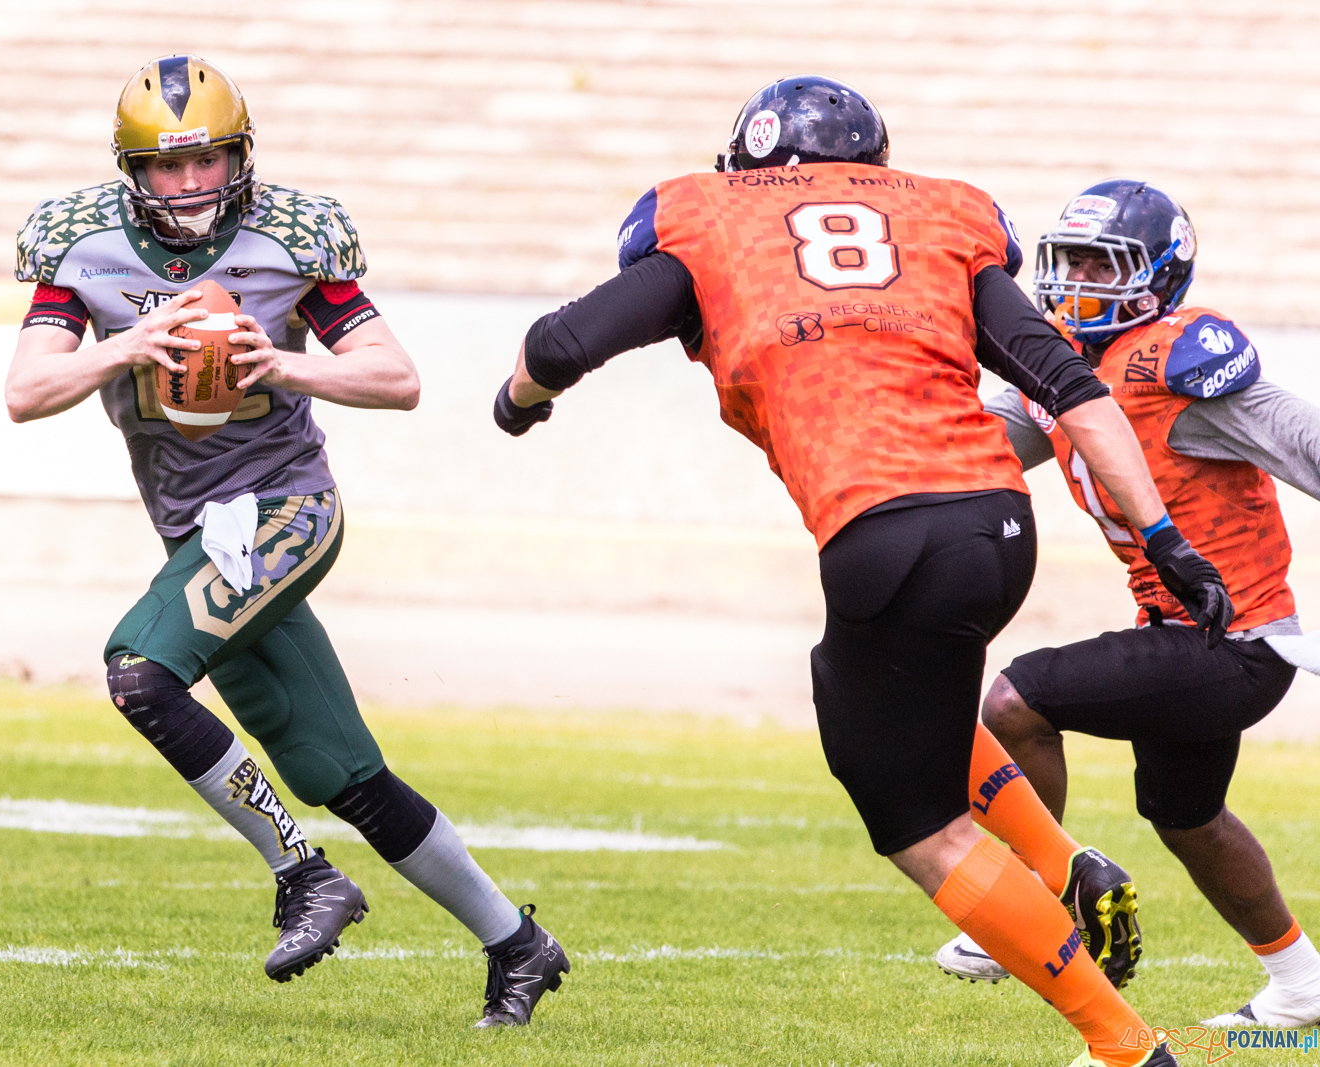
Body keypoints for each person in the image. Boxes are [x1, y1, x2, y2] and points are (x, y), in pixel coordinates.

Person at [490, 75, 1234, 1067]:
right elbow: (1076, 393)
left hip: (887, 538)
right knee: (887, 695)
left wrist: (517, 399)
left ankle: (1123, 1044)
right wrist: (1168, 544)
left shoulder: (709, 216)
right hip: (996, 526)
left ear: (751, 162)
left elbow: (561, 340)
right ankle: (1066, 864)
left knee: (918, 825)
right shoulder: (939, 220)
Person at [7, 54, 566, 1026]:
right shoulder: (85, 250)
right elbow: (25, 391)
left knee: (140, 672)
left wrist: (283, 365)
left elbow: (396, 375)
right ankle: (517, 944)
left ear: (241, 158)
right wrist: (126, 345)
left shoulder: (284, 243)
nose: (188, 186)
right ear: (130, 173)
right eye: (166, 167)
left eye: (206, 161)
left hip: (285, 507)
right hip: (199, 533)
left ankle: (303, 874)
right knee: (336, 769)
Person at [933, 179, 1320, 1030]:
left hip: (1239, 637)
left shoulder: (1177, 363)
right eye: (1066, 262)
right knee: (1186, 814)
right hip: (1185, 631)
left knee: (1014, 699)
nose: (1076, 282)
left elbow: (1304, 442)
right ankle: (1302, 986)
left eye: (1098, 265)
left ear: (1157, 278)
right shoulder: (1068, 366)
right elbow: (975, 445)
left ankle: (1036, 900)